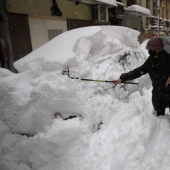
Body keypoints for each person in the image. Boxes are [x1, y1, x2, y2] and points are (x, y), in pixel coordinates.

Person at [113, 36, 170, 116]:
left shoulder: (168, 59)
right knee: (160, 119)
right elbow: (137, 72)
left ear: (159, 49)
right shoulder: (150, 62)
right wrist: (122, 78)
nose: (150, 51)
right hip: (158, 96)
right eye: (149, 49)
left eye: (152, 49)